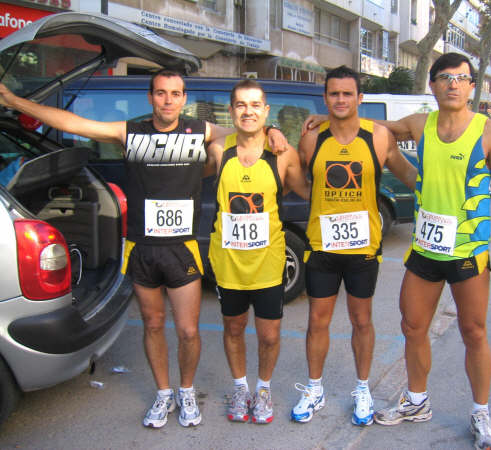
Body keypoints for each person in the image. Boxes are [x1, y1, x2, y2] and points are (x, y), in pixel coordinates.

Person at [0, 69, 287, 429]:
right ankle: (164, 393)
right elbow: (76, 122)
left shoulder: (201, 131)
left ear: (184, 99)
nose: (168, 100)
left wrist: (274, 129)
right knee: (152, 324)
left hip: (182, 247)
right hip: (142, 246)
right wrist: (13, 101)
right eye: (161, 93)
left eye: (175, 93)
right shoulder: (130, 132)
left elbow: (250, 131)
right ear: (151, 97)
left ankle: (185, 391)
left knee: (188, 331)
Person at [366, 53, 491, 450]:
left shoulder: (489, 132)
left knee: (474, 331)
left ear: (471, 87)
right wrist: (335, 118)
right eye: (445, 77)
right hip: (425, 249)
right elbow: (382, 128)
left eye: (462, 78)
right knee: (412, 327)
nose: (454, 84)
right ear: (431, 85)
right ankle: (416, 401)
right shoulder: (421, 124)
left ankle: (481, 412)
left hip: (468, 251)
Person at [291, 66, 417, 426]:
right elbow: (295, 178)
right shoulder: (312, 139)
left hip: (363, 249)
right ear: (325, 97)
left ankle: (362, 389)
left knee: (362, 320)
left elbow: (409, 175)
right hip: (322, 247)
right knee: (318, 320)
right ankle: (314, 389)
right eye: (334, 94)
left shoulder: (377, 137)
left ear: (359, 98)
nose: (341, 100)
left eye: (348, 93)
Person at [205, 79, 309, 424]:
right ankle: (240, 388)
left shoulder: (283, 154)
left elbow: (308, 193)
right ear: (231, 110)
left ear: (266, 110)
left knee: (269, 335)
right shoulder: (219, 147)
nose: (248, 111)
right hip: (229, 262)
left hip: (268, 262)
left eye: (255, 105)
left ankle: (263, 389)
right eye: (240, 104)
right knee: (233, 328)